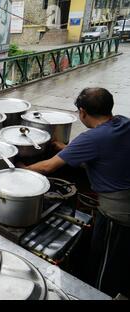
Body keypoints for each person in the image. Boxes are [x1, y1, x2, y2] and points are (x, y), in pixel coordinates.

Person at [25, 87, 130, 298]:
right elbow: (102, 153)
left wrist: (18, 169)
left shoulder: (91, 138)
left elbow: (47, 168)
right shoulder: (123, 123)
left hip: (118, 216)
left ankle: (97, 294)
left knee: (105, 267)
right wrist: (65, 147)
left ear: (82, 112)